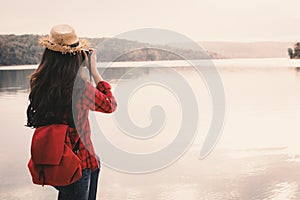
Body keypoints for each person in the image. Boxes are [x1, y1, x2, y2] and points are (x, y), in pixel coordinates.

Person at [26, 24, 117, 200]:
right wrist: (94, 71)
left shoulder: (39, 83)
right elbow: (110, 104)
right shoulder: (80, 88)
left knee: (95, 162)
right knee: (92, 164)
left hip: (56, 160)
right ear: (75, 55)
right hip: (78, 165)